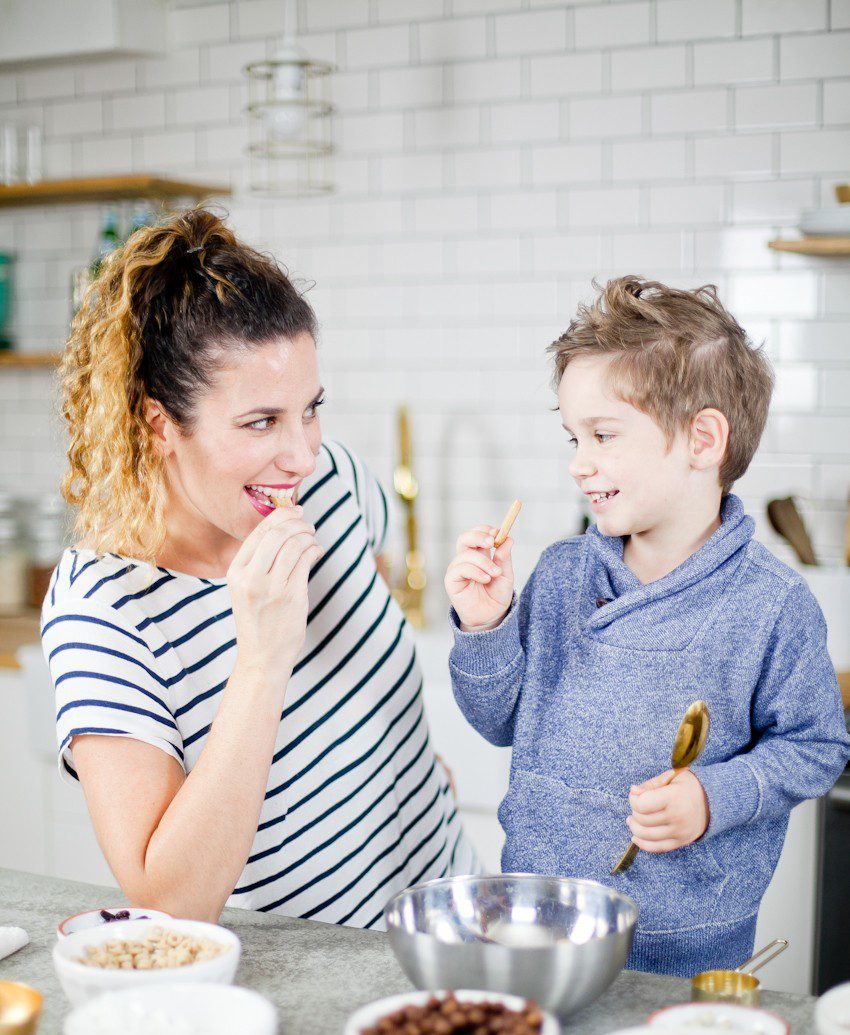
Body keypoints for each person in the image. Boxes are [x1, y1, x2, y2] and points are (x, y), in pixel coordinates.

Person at [43, 208, 477, 926]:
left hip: (455, 931)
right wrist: (262, 659)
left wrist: (393, 776)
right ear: (160, 426)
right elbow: (171, 897)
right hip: (306, 992)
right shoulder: (103, 607)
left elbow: (364, 670)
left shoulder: (330, 482)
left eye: (311, 408)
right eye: (260, 422)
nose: (302, 453)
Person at [444, 276, 850, 976]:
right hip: (537, 922)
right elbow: (498, 720)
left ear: (703, 438)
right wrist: (486, 626)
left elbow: (816, 746)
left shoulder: (771, 604)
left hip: (682, 950)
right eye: (574, 435)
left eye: (604, 434)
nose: (579, 461)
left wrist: (711, 796)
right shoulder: (564, 574)